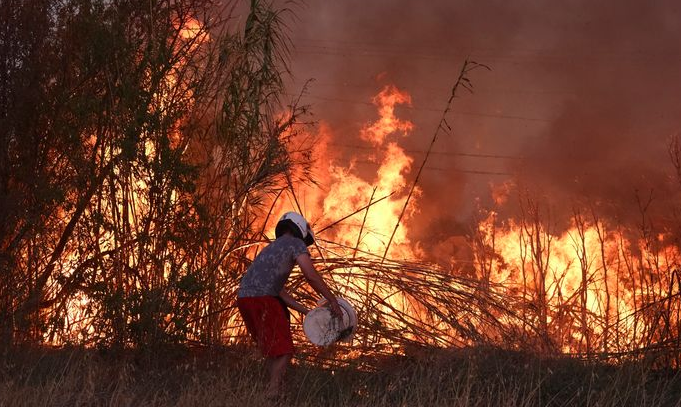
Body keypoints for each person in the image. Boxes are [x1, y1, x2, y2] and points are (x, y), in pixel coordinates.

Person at [236, 211, 343, 401]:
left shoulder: (270, 248)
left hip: (244, 299)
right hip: (264, 299)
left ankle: (275, 390)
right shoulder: (296, 244)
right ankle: (272, 393)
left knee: (271, 349)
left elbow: (279, 292)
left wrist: (309, 312)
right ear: (300, 229)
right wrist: (332, 300)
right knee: (285, 350)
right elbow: (310, 275)